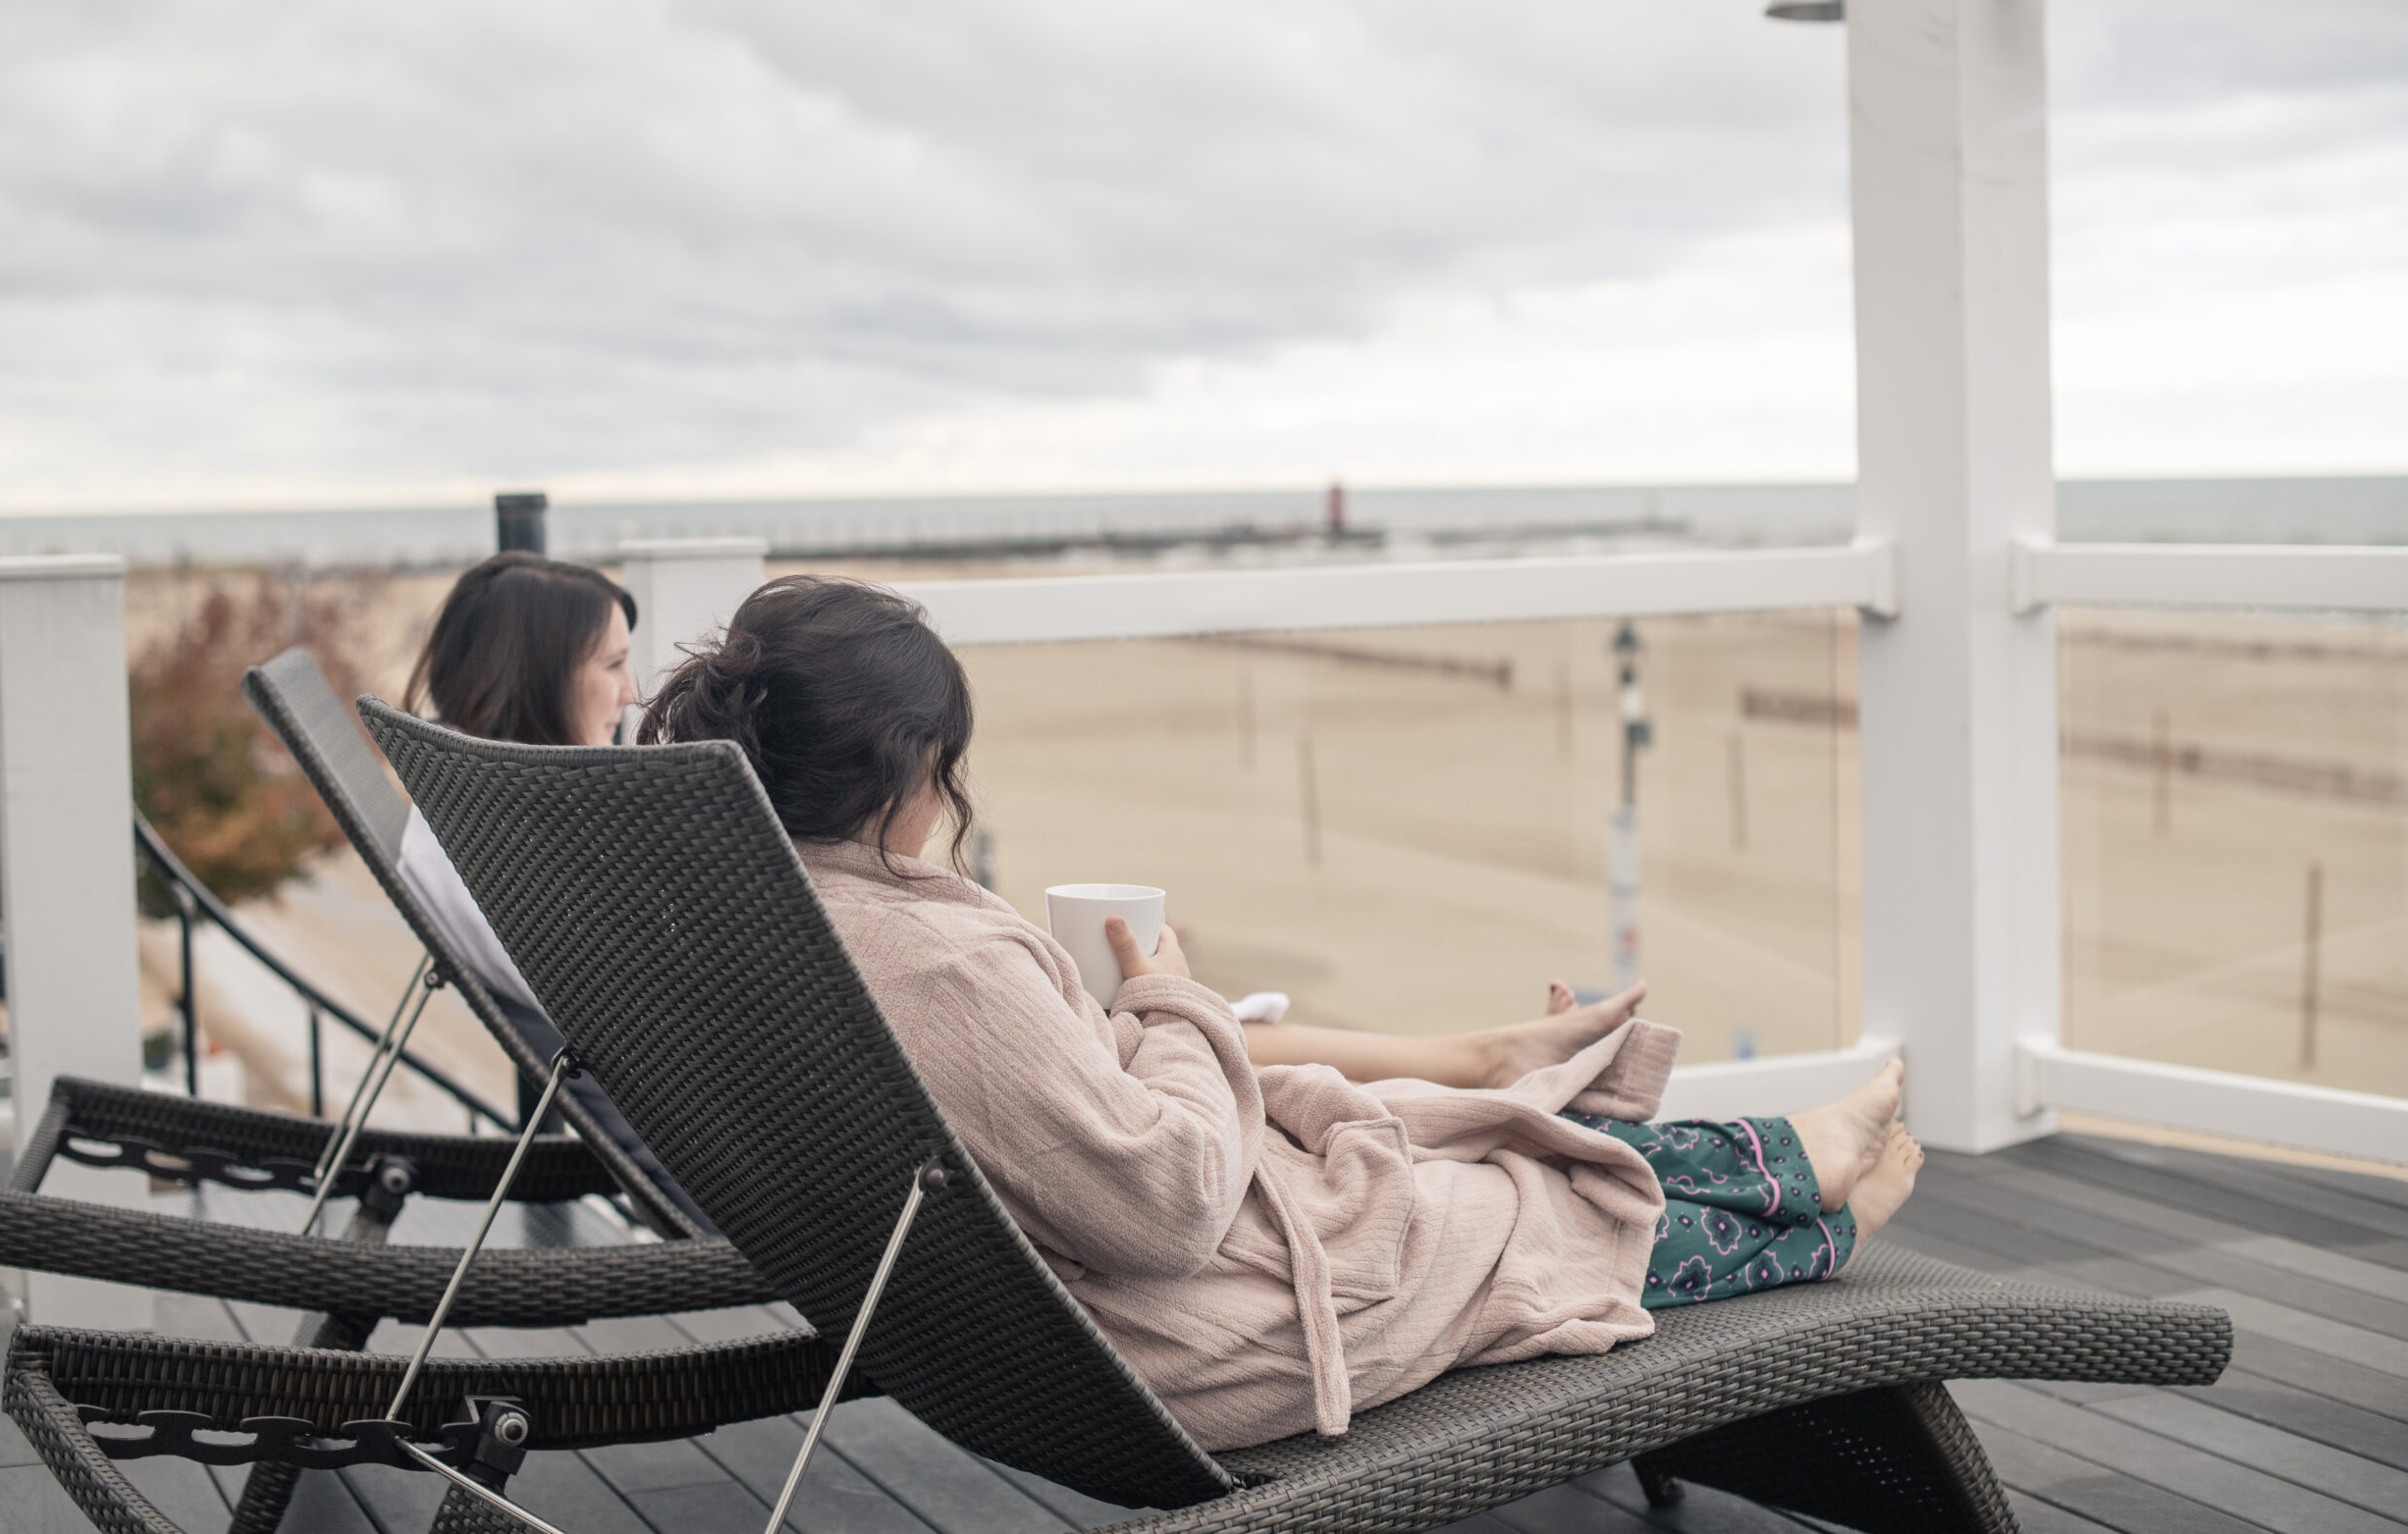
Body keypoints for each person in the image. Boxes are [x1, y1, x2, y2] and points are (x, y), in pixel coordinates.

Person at [641, 574, 1924, 1453]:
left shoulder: (741, 918)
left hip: (1000, 1330)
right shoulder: (933, 964)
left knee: (1434, 1135)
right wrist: (1171, 995)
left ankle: (1799, 1162)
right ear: (907, 767)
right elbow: (1170, 1201)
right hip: (1184, 1351)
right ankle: (1819, 1210)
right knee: (1515, 1208)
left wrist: (1141, 1020)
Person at [396, 553, 716, 1233]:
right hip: (749, 1193)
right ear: (536, 675)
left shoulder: (469, 819)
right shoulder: (513, 862)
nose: (632, 693)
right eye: (610, 665)